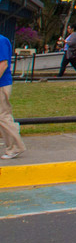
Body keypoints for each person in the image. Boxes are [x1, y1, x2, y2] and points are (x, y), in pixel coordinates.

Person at [0, 31, 27, 160]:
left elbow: (3, 64)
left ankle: (15, 147)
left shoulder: (1, 41)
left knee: (3, 116)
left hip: (1, 84)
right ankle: (13, 135)